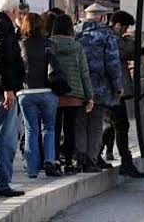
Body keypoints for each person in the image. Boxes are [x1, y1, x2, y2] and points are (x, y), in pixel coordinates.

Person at [74, 3, 122, 173]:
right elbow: (113, 63)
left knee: (79, 123)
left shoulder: (75, 32)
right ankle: (90, 160)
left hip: (77, 87)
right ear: (102, 16)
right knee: (95, 125)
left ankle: (78, 158)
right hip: (99, 88)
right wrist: (118, 86)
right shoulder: (106, 35)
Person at [99, 10, 144, 178]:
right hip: (113, 89)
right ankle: (125, 162)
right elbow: (129, 50)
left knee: (113, 124)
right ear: (117, 25)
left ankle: (96, 156)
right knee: (121, 125)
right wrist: (131, 38)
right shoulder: (112, 39)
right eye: (124, 28)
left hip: (107, 89)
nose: (125, 31)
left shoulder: (104, 35)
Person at [17, 13, 63, 178]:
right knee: (49, 128)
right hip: (47, 92)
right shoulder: (49, 44)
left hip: (26, 92)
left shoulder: (20, 45)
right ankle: (49, 161)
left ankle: (32, 169)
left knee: (31, 130)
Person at [51, 14, 94, 175]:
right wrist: (89, 96)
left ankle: (54, 160)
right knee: (70, 130)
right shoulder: (77, 47)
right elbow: (84, 73)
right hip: (74, 95)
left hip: (54, 94)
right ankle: (69, 162)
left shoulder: (50, 45)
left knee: (53, 129)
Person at [0, 0, 26, 197]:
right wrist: (8, 88)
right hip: (2, 93)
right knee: (5, 141)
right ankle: (1, 184)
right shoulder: (3, 27)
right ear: (13, 9)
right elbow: (2, 59)